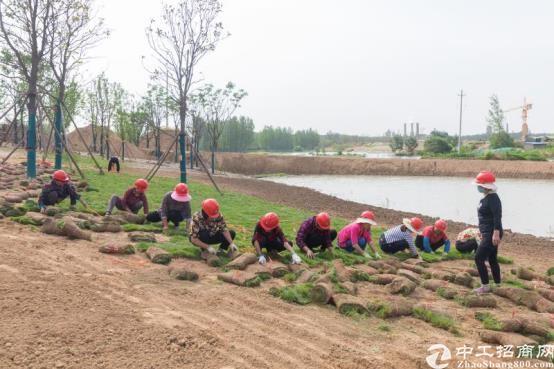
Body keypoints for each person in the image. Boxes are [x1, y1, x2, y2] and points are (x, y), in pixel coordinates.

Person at [472, 171, 503, 294]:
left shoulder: (493, 198)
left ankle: (485, 286)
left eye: (479, 185)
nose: (477, 187)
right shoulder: (486, 197)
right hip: (486, 232)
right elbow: (484, 218)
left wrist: (495, 233)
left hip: (492, 233)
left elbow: (497, 216)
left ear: (485, 186)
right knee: (492, 258)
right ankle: (498, 284)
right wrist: (481, 231)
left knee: (478, 258)